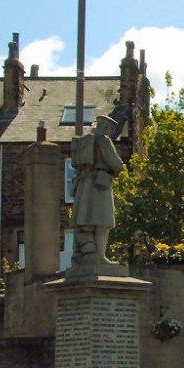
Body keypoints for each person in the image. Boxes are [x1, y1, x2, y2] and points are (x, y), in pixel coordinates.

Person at [70, 114, 124, 266]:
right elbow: (116, 163)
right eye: (111, 129)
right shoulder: (104, 141)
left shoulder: (86, 141)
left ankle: (80, 255)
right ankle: (100, 256)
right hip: (100, 185)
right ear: (107, 127)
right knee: (102, 223)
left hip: (84, 185)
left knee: (85, 221)